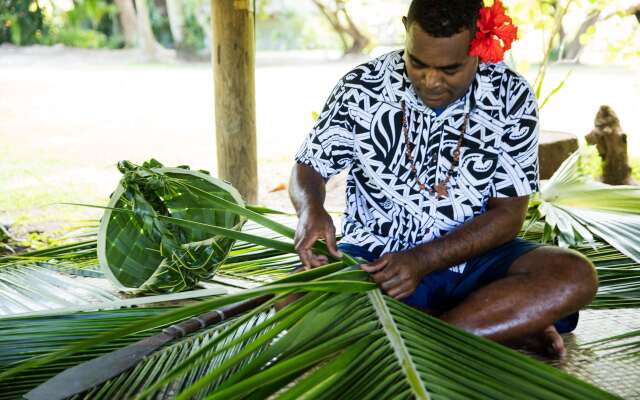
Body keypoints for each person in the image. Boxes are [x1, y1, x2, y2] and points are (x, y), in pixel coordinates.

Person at [289, 0, 597, 357]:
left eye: (450, 69)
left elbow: (509, 214)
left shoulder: (512, 96)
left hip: (477, 262)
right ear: (406, 29)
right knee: (293, 301)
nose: (430, 80)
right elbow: (309, 164)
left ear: (478, 47)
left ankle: (427, 331)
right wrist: (310, 208)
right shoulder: (361, 87)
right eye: (417, 63)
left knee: (573, 275)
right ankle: (494, 324)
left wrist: (422, 261)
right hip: (376, 260)